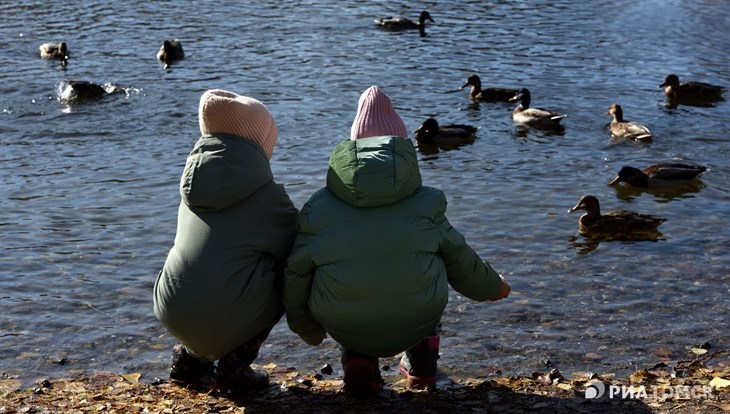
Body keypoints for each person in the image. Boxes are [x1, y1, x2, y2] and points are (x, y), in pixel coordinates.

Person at [283, 85, 511, 396]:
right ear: (402, 149)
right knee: (430, 265)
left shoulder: (317, 207)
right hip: (417, 317)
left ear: (351, 150)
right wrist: (493, 287)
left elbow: (296, 273)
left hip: (346, 323)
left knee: (343, 284)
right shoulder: (427, 203)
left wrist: (307, 328)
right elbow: (461, 260)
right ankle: (421, 367)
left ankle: (358, 361)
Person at [154, 89, 298, 390]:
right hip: (223, 310)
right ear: (259, 144)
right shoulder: (267, 197)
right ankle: (236, 365)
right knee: (285, 272)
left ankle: (190, 359)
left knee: (206, 266)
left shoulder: (191, 190)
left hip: (171, 306)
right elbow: (296, 248)